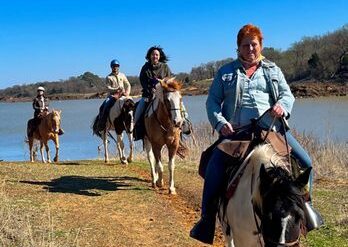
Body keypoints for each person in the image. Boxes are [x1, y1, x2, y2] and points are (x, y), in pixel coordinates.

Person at [190, 24, 322, 245]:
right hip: (237, 133)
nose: (250, 49)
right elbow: (212, 102)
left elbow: (287, 95)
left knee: (306, 162)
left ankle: (305, 212)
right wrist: (220, 123)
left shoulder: (272, 70)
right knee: (213, 164)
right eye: (245, 45)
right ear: (238, 48)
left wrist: (281, 106)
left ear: (261, 45)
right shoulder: (225, 73)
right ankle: (206, 220)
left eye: (254, 44)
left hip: (271, 129)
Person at [134, 46, 191, 140]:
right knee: (139, 110)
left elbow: (171, 78)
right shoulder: (145, 68)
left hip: (164, 94)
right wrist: (149, 89)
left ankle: (185, 124)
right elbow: (142, 81)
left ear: (159, 56)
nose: (155, 56)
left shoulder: (165, 67)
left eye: (156, 55)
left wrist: (163, 82)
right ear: (149, 56)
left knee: (179, 104)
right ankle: (137, 130)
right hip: (149, 94)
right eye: (153, 54)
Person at [96, 59, 131, 132]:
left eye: (117, 66)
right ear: (111, 67)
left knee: (132, 104)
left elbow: (128, 84)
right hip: (112, 96)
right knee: (104, 106)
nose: (115, 67)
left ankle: (133, 123)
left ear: (119, 67)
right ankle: (102, 123)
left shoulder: (122, 75)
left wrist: (127, 92)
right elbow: (108, 88)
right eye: (114, 66)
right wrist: (116, 89)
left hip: (123, 95)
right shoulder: (109, 77)